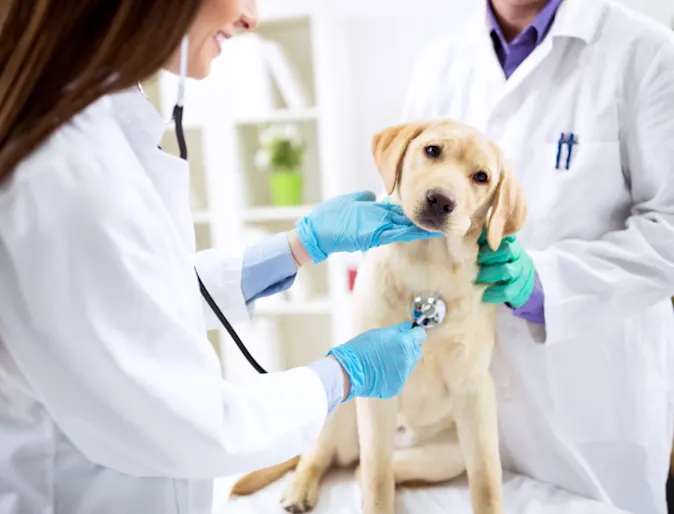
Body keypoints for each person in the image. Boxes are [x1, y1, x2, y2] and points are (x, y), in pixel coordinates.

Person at [0, 1, 442, 513]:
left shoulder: (99, 123)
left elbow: (135, 296)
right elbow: (186, 423)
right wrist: (344, 374)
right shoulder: (65, 172)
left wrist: (296, 247)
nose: (252, 17)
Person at [401, 0, 674, 513]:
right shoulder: (437, 63)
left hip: (587, 408)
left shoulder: (647, 54)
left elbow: (670, 229)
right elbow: (410, 197)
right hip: (455, 410)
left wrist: (545, 285)